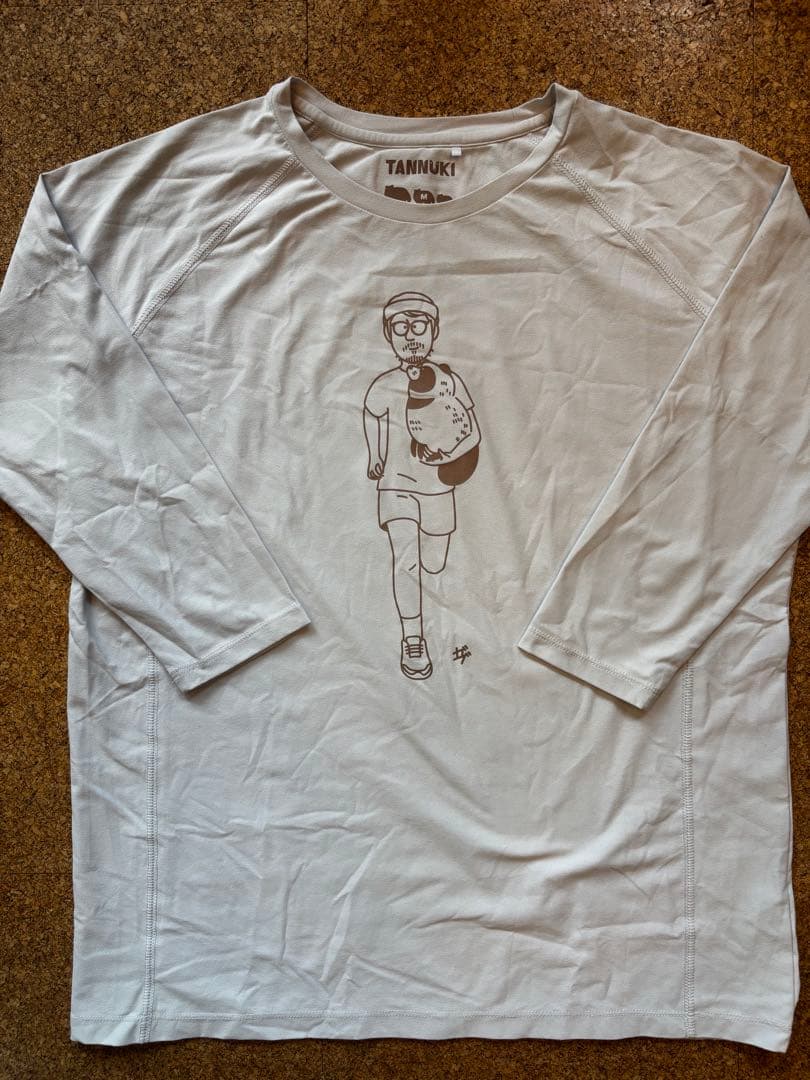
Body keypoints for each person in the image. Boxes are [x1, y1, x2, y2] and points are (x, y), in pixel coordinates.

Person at [363, 291, 481, 679]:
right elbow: (372, 415)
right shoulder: (383, 385)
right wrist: (376, 455)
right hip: (395, 485)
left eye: (418, 326)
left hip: (438, 487)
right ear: (389, 334)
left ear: (434, 332)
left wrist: (449, 456)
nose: (410, 335)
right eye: (400, 327)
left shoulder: (449, 381)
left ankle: (434, 610)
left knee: (433, 562)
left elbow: (472, 432)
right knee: (406, 561)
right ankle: (412, 639)